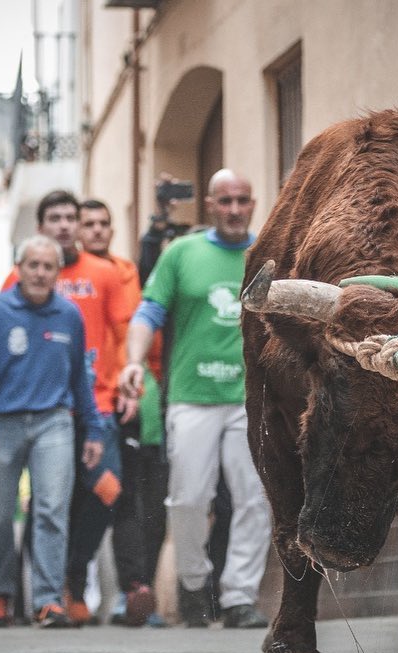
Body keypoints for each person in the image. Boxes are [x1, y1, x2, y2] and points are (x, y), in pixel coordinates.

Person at [119, 169, 271, 629]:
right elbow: (148, 311)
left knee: (253, 498)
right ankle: (192, 584)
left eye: (243, 200)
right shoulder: (181, 252)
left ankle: (240, 596)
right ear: (209, 204)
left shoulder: (267, 255)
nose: (235, 209)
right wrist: (132, 362)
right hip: (190, 397)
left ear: (253, 204)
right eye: (225, 201)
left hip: (248, 398)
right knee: (187, 498)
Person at [2, 190, 131, 626]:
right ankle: (37, 598)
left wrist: (129, 386)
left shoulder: (105, 273)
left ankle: (73, 575)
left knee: (106, 492)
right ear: (40, 227)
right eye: (53, 217)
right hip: (44, 408)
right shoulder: (20, 278)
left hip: (97, 404)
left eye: (70, 218)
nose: (63, 225)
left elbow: (125, 334)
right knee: (47, 503)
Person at [0, 235, 104, 629]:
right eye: (33, 265)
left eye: (48, 267)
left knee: (51, 511)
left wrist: (93, 430)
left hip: (53, 422)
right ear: (19, 267)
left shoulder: (69, 315)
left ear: (57, 273)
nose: (40, 273)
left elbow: (80, 378)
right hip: (1, 422)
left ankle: (47, 602)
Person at [76, 199, 162, 627]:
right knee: (66, 501)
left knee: (120, 496)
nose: (97, 230)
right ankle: (68, 591)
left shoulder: (125, 273)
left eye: (103, 223)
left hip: (119, 400)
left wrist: (138, 386)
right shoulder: (57, 273)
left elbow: (135, 338)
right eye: (88, 223)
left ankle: (134, 590)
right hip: (70, 404)